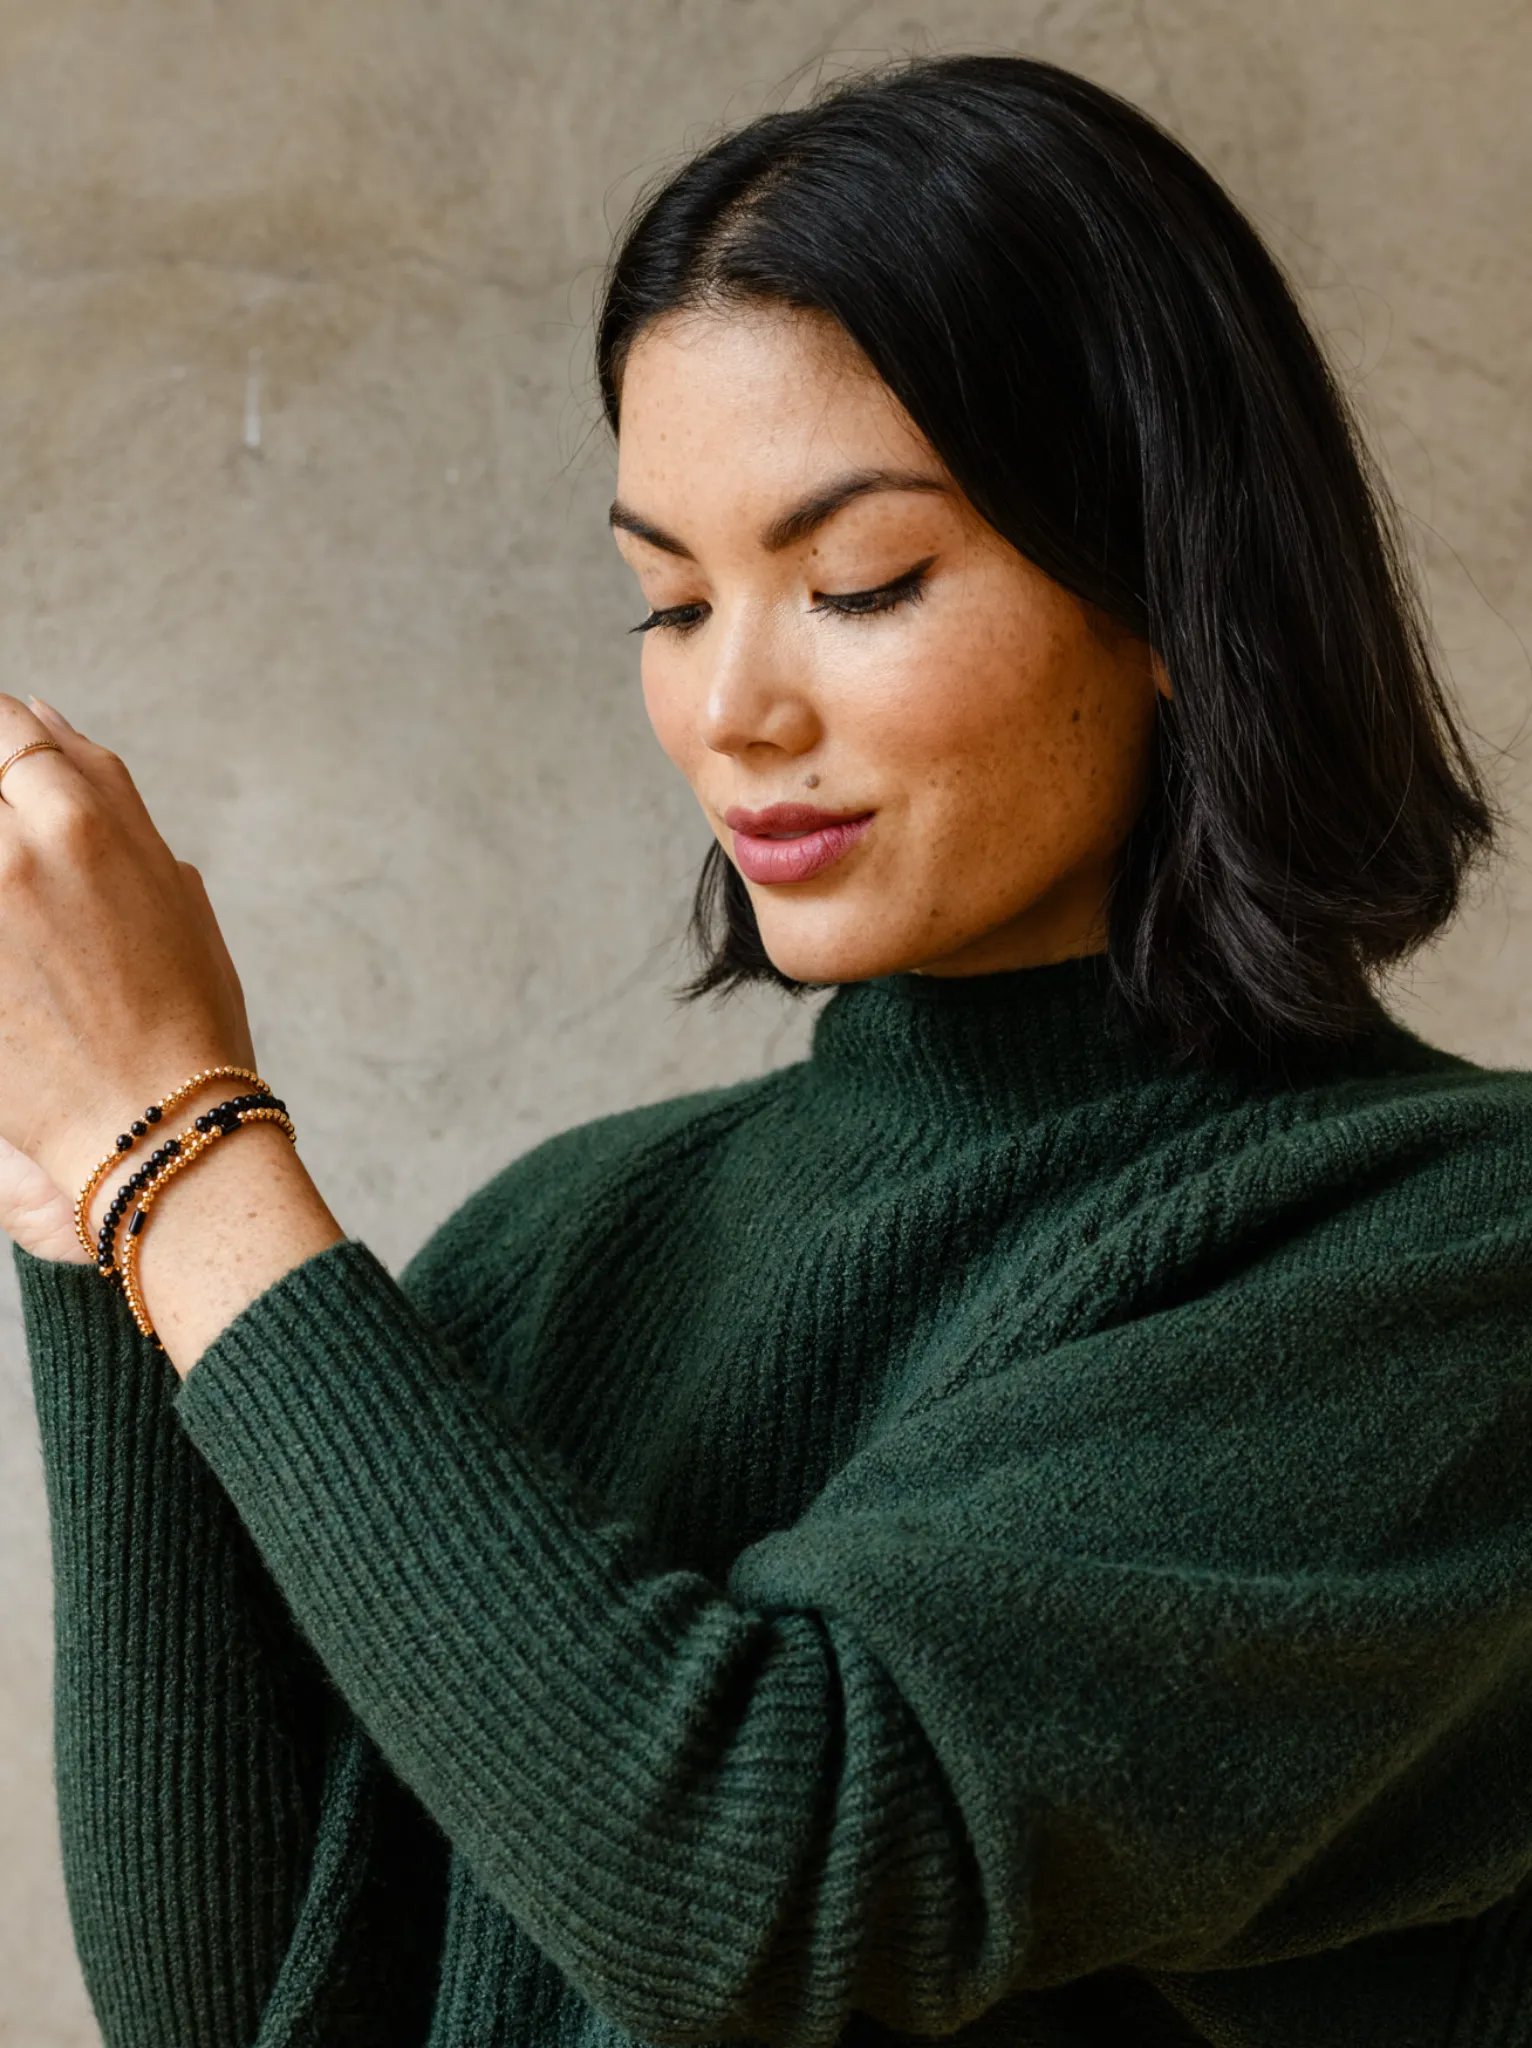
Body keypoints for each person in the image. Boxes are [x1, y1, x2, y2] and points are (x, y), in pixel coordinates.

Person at [6, 50, 1530, 2048]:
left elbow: (770, 1884)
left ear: (1163, 577)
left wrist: (179, 1153)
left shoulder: (1442, 1253)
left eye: (857, 581)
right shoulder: (562, 1243)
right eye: (666, 598)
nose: (732, 706)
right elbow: (250, 2005)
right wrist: (76, 1200)